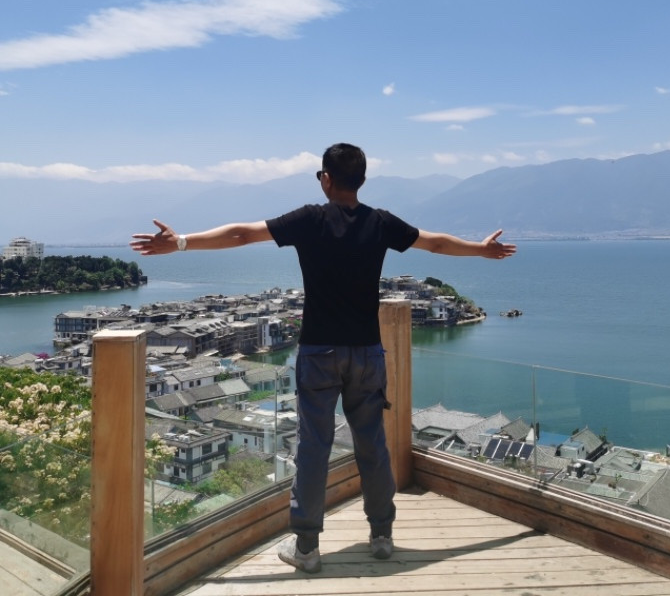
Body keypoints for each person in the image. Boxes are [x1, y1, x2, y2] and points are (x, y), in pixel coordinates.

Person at [130, 142, 516, 574]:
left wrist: (180, 242)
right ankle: (382, 536)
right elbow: (436, 244)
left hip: (318, 352)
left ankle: (307, 547)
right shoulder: (380, 222)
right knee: (372, 443)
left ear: (326, 179)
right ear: (362, 180)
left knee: (314, 447)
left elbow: (242, 234)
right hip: (367, 352)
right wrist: (482, 250)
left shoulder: (309, 220)